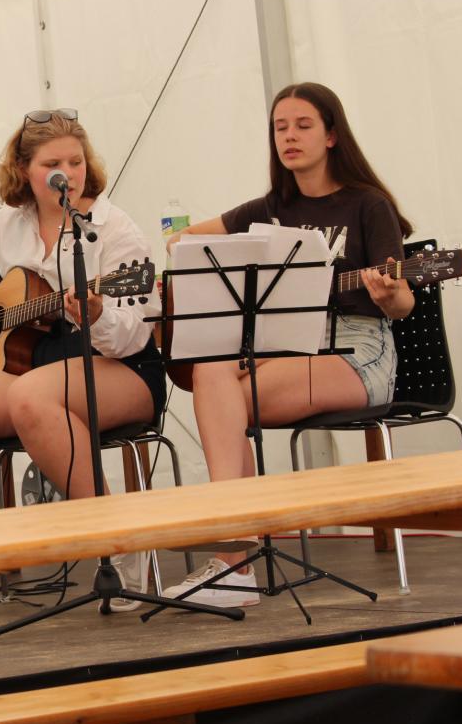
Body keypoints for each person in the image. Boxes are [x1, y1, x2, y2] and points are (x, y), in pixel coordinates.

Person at [161, 82, 415, 606]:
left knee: (223, 404)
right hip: (286, 346)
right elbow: (182, 241)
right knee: (211, 373)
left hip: (358, 351)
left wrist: (390, 293)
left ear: (331, 136)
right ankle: (237, 555)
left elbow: (403, 303)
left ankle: (232, 558)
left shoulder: (368, 205)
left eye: (302, 126)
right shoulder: (271, 208)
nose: (289, 137)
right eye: (280, 128)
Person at [0, 108, 166, 621]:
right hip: (34, 367)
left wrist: (96, 314)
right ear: (24, 171)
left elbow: (133, 334)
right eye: (53, 164)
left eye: (75, 162)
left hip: (119, 366)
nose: (67, 174)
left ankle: (119, 542)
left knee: (30, 396)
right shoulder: (8, 224)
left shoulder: (114, 228)